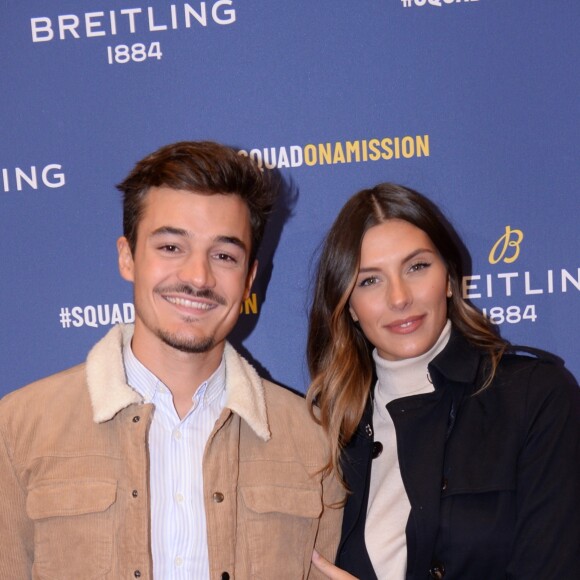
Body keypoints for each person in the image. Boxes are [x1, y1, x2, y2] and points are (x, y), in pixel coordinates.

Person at [0, 141, 343, 579]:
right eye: (170, 247)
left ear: (250, 278)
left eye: (224, 255)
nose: (198, 277)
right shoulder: (18, 429)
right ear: (128, 257)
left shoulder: (313, 442)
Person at [307, 183, 580, 580]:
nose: (399, 298)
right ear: (348, 306)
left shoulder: (534, 397)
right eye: (370, 281)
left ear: (450, 279)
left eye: (417, 267)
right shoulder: (324, 430)